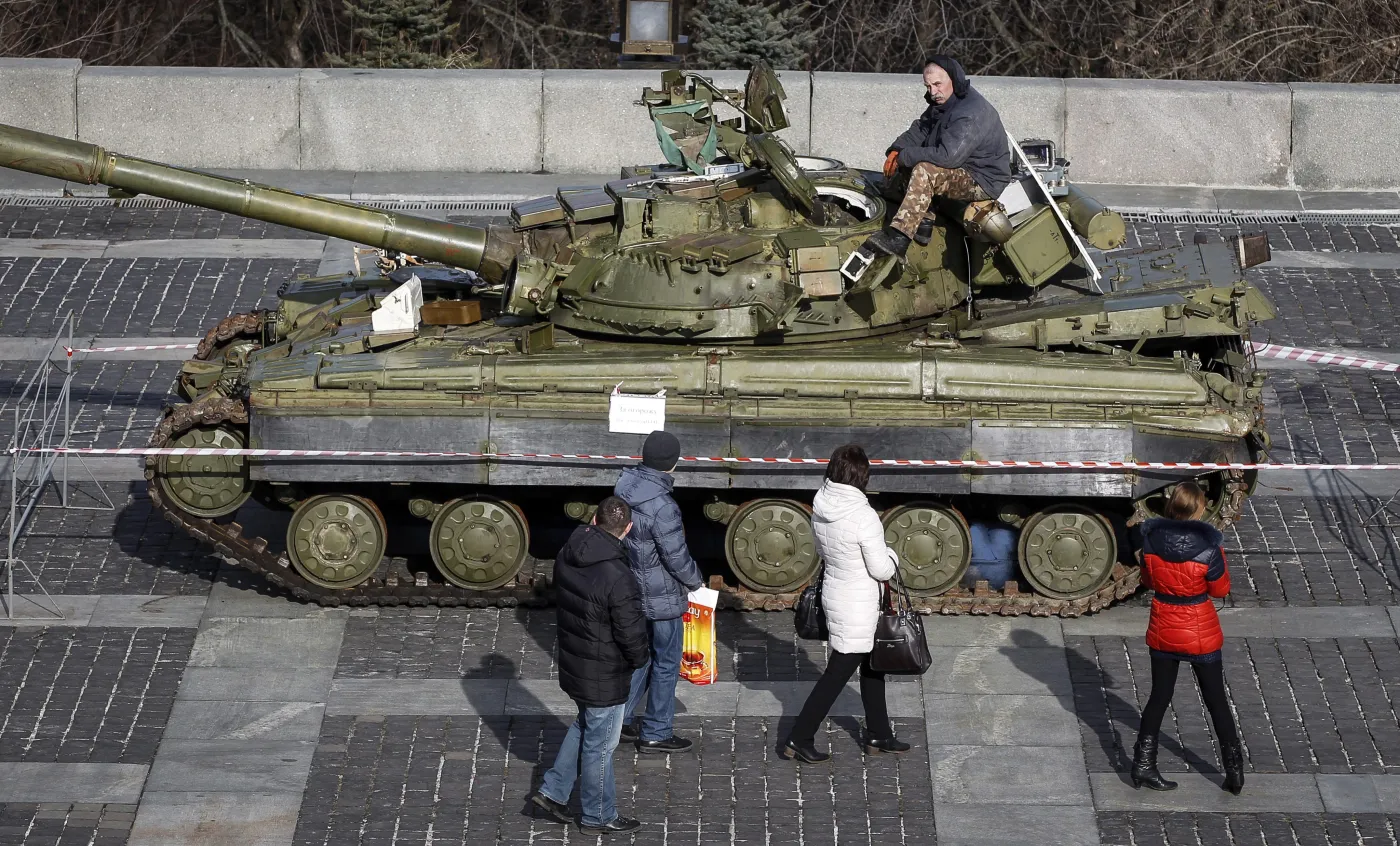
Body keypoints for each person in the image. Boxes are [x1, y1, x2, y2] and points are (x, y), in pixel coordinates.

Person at [780, 444, 907, 763]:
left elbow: (825, 552)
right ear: (862, 477)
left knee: (871, 664)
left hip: (837, 592)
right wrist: (892, 555)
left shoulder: (821, 504)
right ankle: (799, 737)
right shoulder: (864, 517)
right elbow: (880, 569)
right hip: (858, 602)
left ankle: (879, 733)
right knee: (836, 674)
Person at [529, 496, 649, 834]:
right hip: (605, 673)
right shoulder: (618, 575)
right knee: (601, 745)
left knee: (586, 724)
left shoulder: (569, 551)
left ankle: (553, 792)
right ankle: (598, 814)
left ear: (594, 521)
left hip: (576, 662)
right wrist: (640, 660)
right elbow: (631, 632)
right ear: (627, 529)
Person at [1131, 481, 1245, 795]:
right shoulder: (1210, 548)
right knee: (1216, 701)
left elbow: (1147, 579)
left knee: (1159, 697)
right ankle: (1234, 771)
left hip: (1164, 625)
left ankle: (1143, 765)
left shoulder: (1151, 541)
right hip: (1199, 629)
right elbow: (1221, 590)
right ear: (1198, 509)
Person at [862, 54, 1014, 258]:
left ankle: (899, 238)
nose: (933, 92)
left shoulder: (971, 112)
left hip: (982, 179)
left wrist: (905, 157)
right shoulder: (945, 101)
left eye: (937, 84)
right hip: (960, 167)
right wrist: (897, 150)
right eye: (928, 86)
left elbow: (948, 157)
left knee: (924, 170)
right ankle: (923, 222)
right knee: (897, 177)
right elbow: (922, 128)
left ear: (954, 79)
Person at [614, 429, 705, 753]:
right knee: (666, 663)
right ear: (672, 463)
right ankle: (656, 731)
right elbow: (676, 557)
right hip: (663, 597)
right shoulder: (663, 505)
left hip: (634, 590)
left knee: (641, 658)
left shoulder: (625, 487)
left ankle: (621, 720)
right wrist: (697, 583)